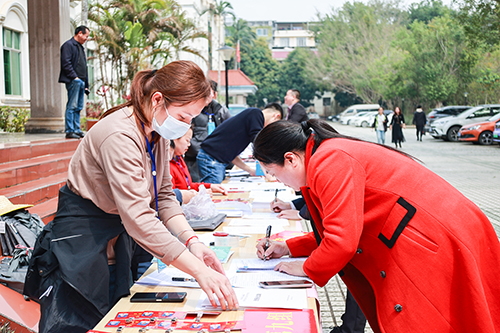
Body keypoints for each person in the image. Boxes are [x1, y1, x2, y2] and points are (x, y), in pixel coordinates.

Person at [25, 61, 238, 333]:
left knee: (115, 316)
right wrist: (197, 270)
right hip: (83, 241)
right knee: (80, 319)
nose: (186, 126)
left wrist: (192, 241)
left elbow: (163, 196)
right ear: (158, 99)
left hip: (115, 239)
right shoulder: (119, 135)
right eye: (184, 117)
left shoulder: (156, 133)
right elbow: (139, 217)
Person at [252, 119, 500, 332]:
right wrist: (288, 248)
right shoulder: (325, 156)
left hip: (435, 236)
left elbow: (342, 241)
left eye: (272, 171)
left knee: (435, 320)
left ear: (291, 159)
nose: (276, 181)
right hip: (425, 232)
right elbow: (343, 227)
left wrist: (306, 267)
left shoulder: (329, 160)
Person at [197, 103, 283, 184]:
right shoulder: (256, 114)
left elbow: (232, 155)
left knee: (217, 192)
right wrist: (268, 172)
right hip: (211, 159)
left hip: (213, 159)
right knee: (213, 195)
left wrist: (250, 171)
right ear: (276, 116)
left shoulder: (250, 121)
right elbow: (259, 146)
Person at [185, 80, 231, 182]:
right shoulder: (191, 110)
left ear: (215, 94)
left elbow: (229, 134)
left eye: (207, 92)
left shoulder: (221, 111)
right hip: (194, 159)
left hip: (216, 159)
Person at [170, 127, 227, 195]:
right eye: (187, 140)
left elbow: (188, 186)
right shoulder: (168, 166)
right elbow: (172, 196)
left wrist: (210, 186)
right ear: (174, 139)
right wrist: (197, 195)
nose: (189, 144)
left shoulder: (179, 159)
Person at [58, 26, 90, 139]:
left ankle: (77, 129)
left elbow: (84, 68)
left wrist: (86, 85)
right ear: (80, 33)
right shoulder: (68, 45)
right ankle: (69, 130)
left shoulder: (80, 48)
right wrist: (75, 78)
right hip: (74, 81)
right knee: (72, 106)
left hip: (81, 82)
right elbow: (66, 63)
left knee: (78, 107)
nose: (87, 39)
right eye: (86, 36)